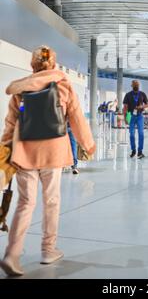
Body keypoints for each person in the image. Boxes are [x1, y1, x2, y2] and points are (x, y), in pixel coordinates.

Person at [0, 46, 96, 277]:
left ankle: (12, 254)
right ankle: (48, 250)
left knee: (25, 203)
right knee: (51, 201)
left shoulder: (20, 90)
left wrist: (4, 150)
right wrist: (88, 145)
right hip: (53, 152)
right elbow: (76, 119)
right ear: (53, 64)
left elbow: (10, 124)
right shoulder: (63, 86)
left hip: (24, 153)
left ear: (32, 66)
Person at [123, 80, 148, 159]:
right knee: (131, 134)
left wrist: (142, 107)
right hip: (131, 116)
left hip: (140, 116)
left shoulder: (142, 94)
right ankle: (133, 150)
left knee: (141, 133)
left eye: (137, 84)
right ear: (132, 85)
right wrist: (126, 118)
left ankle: (140, 151)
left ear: (139, 85)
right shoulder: (128, 95)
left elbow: (147, 105)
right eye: (134, 84)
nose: (136, 85)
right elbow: (125, 107)